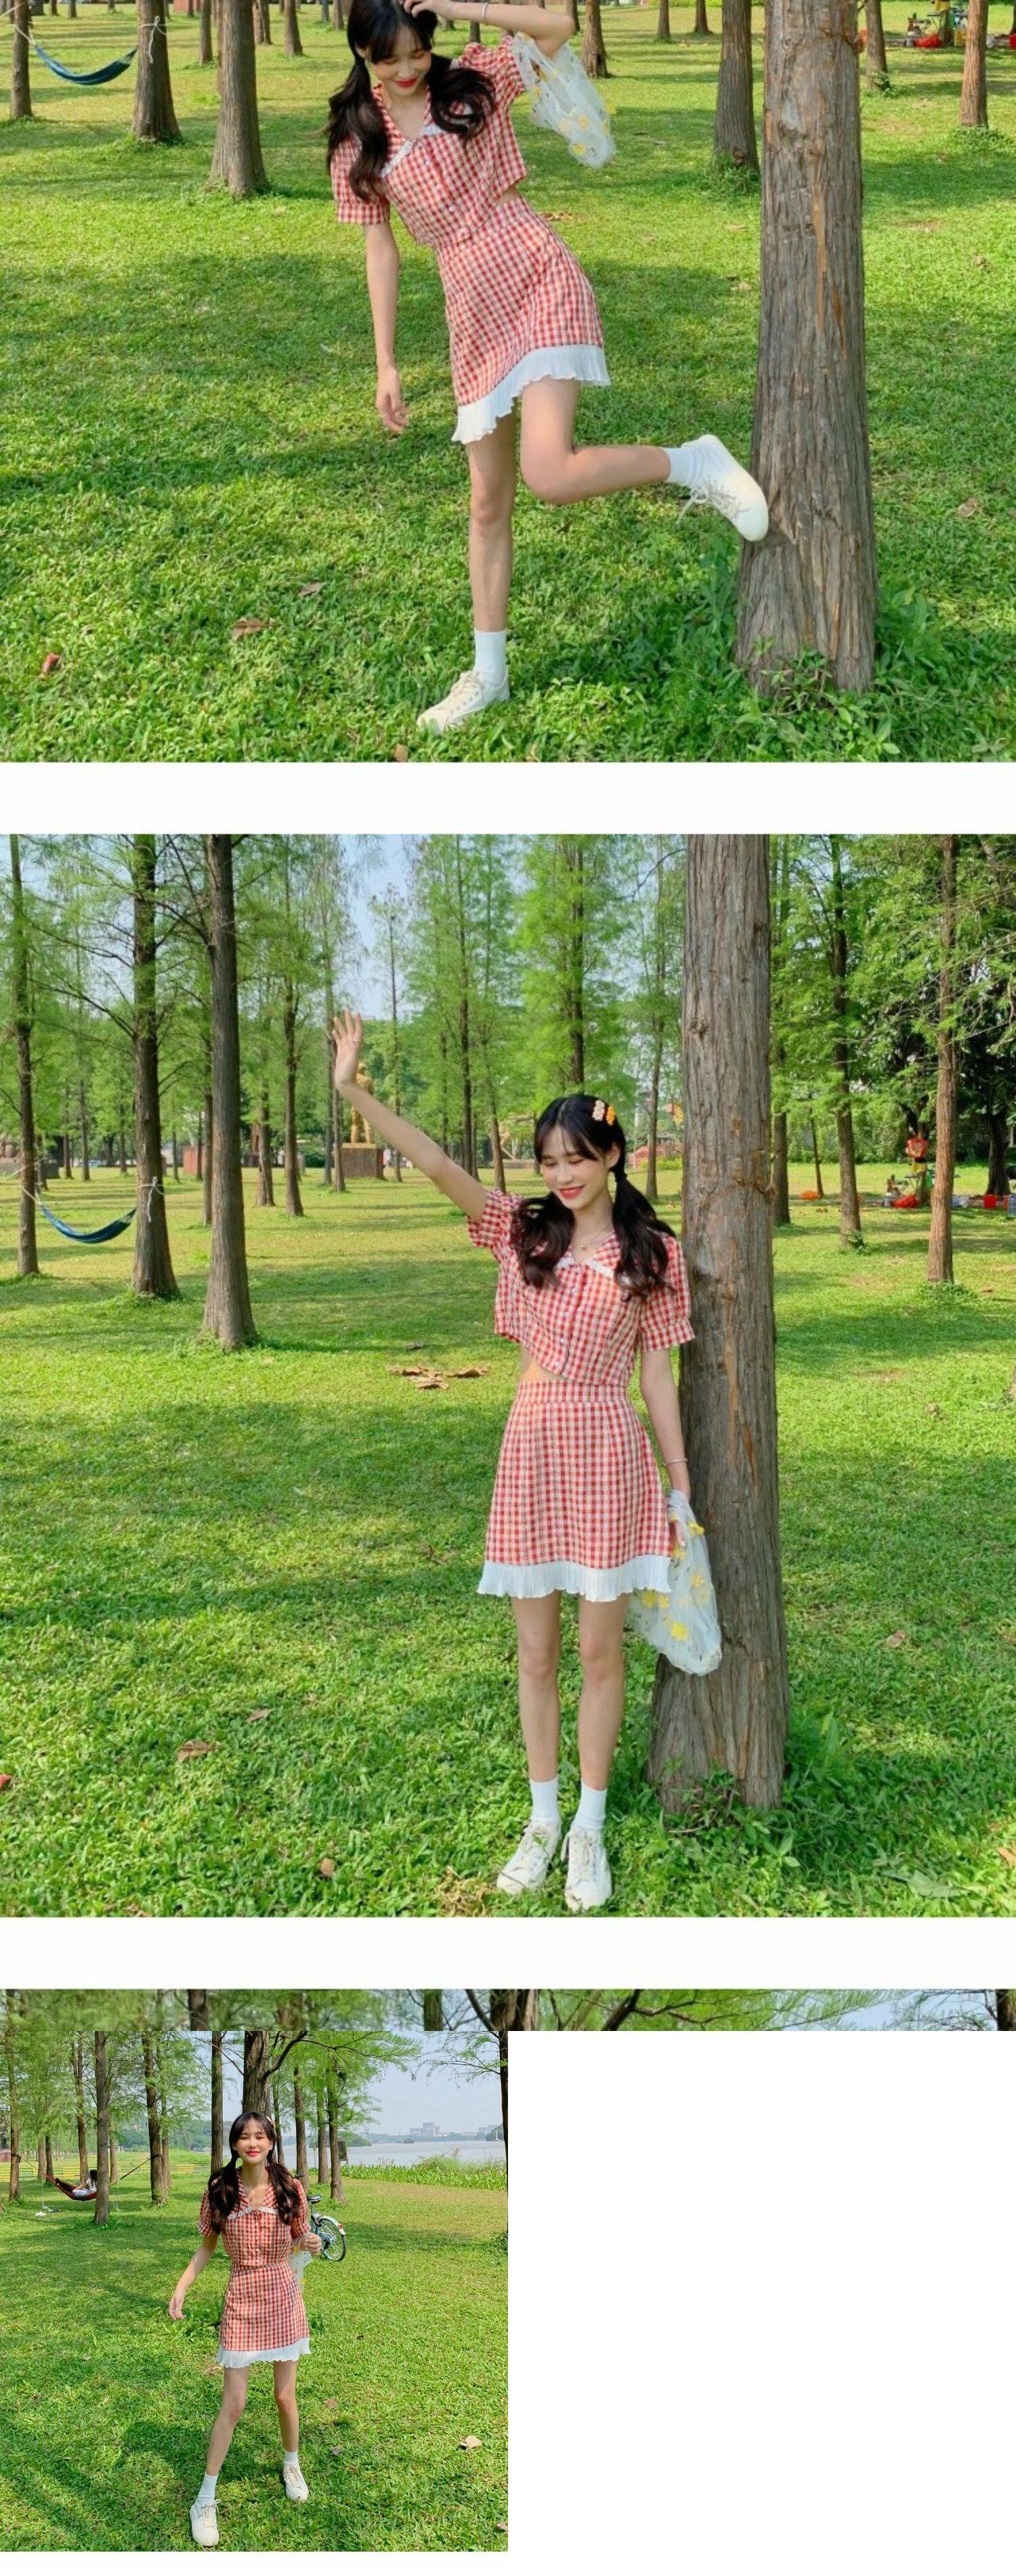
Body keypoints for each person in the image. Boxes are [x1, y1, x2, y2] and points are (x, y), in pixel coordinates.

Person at [331, 1007, 694, 1912]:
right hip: (532, 1443)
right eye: (549, 1160)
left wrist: (681, 1486)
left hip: (610, 1449)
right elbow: (435, 1163)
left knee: (599, 1652)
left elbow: (657, 1373)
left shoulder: (653, 1252)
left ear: (613, 1156)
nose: (562, 1175)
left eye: (578, 1158)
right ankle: (542, 1818)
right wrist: (351, 1091)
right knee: (536, 1655)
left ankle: (590, 1827)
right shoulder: (523, 1231)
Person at [327, 0, 768, 736]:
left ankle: (695, 463)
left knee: (549, 473)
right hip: (470, 306)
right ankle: (488, 674)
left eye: (417, 51)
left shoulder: (471, 81)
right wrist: (386, 362)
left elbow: (557, 27)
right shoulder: (358, 138)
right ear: (364, 56)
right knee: (487, 502)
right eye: (388, 59)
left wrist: (456, 5)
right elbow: (381, 248)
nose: (406, 70)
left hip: (533, 270)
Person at [169, 2112, 321, 2549]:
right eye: (244, 2137)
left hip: (283, 2295)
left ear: (271, 2142)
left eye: (260, 2136)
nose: (252, 2142)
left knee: (284, 2397)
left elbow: (301, 2239)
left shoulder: (290, 2189)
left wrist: (310, 2243)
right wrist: (182, 2287)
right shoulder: (220, 2191)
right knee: (233, 2405)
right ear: (235, 2144)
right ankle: (204, 2499)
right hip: (241, 2296)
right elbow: (206, 2248)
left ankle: (292, 2463)